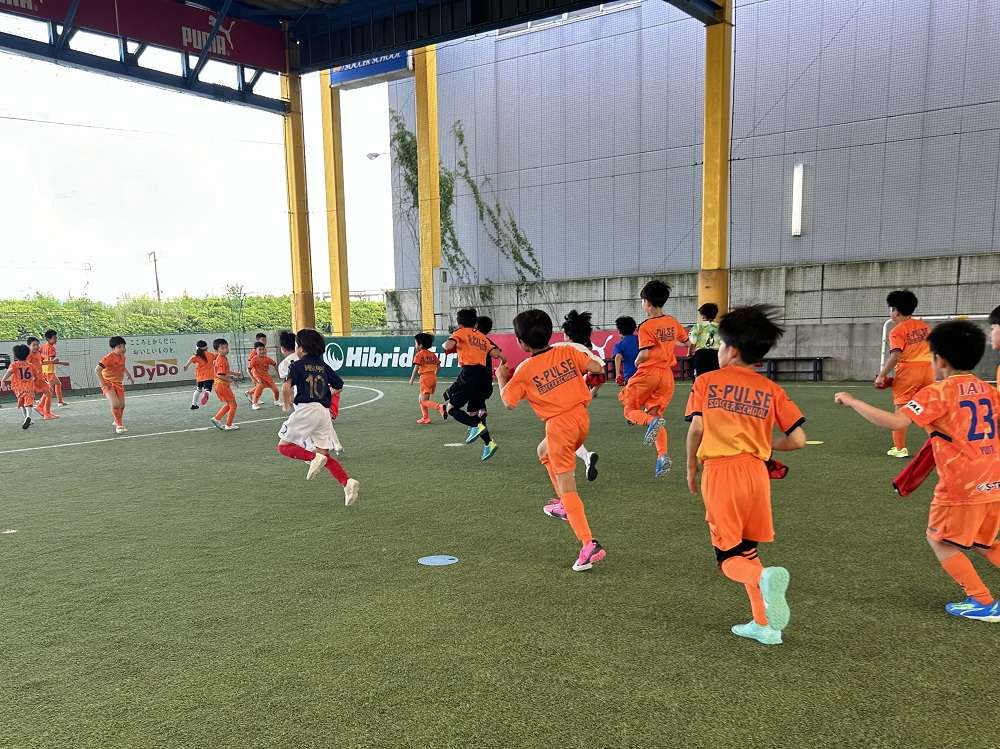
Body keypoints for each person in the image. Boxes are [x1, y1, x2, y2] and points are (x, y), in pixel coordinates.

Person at [836, 320, 1000, 622]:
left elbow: (896, 422)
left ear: (940, 360)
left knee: (939, 540)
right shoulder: (989, 390)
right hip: (994, 479)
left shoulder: (938, 393)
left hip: (962, 484)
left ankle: (982, 602)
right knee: (983, 541)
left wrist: (852, 401)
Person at [685, 305, 806, 646]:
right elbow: (798, 439)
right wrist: (764, 445)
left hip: (721, 473)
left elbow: (696, 430)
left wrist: (691, 467)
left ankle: (764, 578)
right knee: (747, 550)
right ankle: (765, 626)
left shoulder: (706, 381)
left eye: (721, 345)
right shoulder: (771, 389)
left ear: (732, 350)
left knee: (727, 559)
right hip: (757, 474)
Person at [498, 309, 607, 571]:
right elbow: (596, 367)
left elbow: (508, 402)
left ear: (521, 343)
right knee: (542, 451)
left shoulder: (525, 369)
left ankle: (588, 544)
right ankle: (563, 504)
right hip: (581, 420)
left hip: (559, 427)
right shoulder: (566, 350)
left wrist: (502, 378)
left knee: (568, 486)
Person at [276, 328, 360, 506]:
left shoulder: (296, 365)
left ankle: (313, 458)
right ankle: (347, 483)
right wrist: (325, 394)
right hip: (323, 412)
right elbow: (339, 385)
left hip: (306, 410)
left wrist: (286, 403)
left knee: (283, 447)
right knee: (324, 455)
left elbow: (286, 386)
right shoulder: (323, 366)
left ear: (301, 348)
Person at [620, 280, 690, 477]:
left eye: (642, 301)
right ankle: (662, 456)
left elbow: (644, 354)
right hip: (667, 376)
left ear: (647, 302)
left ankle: (649, 422)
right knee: (656, 415)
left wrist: (636, 362)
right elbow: (687, 342)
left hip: (648, 373)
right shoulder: (672, 322)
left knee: (629, 410)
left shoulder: (645, 326)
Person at [439, 307, 505, 461]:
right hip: (484, 378)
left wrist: (447, 342)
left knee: (451, 408)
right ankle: (488, 443)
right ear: (475, 323)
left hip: (469, 374)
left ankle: (475, 425)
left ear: (459, 324)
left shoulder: (460, 332)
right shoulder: (482, 337)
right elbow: (498, 354)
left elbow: (447, 346)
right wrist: (503, 363)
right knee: (472, 412)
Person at [875, 290, 934, 458]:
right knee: (928, 410)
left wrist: (882, 375)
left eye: (891, 309)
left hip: (908, 372)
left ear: (896, 311)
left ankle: (899, 448)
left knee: (901, 410)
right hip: (929, 369)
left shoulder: (896, 331)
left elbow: (896, 355)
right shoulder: (924, 326)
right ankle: (940, 443)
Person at [559, 310, 602, 485]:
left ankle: (566, 492)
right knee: (565, 441)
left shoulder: (561, 349)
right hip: (580, 404)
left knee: (555, 449)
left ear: (567, 335)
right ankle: (586, 457)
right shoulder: (585, 351)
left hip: (561, 405)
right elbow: (599, 368)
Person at [95, 336, 134, 434]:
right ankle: (119, 425)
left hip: (118, 383)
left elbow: (122, 367)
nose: (122, 349)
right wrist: (103, 383)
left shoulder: (123, 357)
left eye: (124, 346)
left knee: (122, 405)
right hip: (108, 383)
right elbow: (97, 370)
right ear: (113, 348)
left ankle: (116, 419)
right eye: (119, 347)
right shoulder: (108, 358)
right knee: (116, 404)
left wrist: (129, 375)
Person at [1, 344, 37, 429]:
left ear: (16, 355)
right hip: (29, 386)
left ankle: (26, 418)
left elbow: (9, 372)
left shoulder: (14, 365)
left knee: (22, 404)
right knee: (29, 403)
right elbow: (36, 375)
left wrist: (3, 380)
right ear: (27, 354)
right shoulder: (30, 365)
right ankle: (29, 416)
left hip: (19, 387)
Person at [409, 333, 441, 424]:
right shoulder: (432, 354)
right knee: (421, 399)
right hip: (432, 378)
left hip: (425, 379)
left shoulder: (419, 354)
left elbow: (416, 368)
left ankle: (439, 407)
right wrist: (434, 375)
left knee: (424, 401)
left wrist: (411, 379)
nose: (415, 345)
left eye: (415, 343)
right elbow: (439, 367)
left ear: (420, 345)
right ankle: (425, 418)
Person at [210, 338, 241, 431]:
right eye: (222, 348)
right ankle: (229, 424)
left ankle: (217, 418)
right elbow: (220, 375)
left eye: (226, 347)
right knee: (233, 405)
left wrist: (235, 374)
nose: (226, 350)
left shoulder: (222, 358)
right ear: (217, 350)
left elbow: (224, 371)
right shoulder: (221, 360)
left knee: (229, 404)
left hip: (220, 385)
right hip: (222, 385)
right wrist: (231, 380)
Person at [25, 337, 55, 420]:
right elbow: (26, 366)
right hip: (34, 379)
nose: (36, 347)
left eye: (37, 345)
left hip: (40, 377)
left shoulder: (38, 353)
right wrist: (32, 377)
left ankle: (41, 408)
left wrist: (52, 362)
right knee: (48, 392)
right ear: (29, 346)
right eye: (34, 345)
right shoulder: (29, 355)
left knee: (49, 391)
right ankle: (46, 413)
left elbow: (41, 362)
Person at [689, 303, 721, 379]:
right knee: (714, 377)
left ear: (703, 315)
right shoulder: (720, 327)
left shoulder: (698, 326)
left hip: (701, 354)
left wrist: (690, 352)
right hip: (716, 355)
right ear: (715, 315)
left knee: (700, 377)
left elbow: (693, 341)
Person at [182, 340, 216, 410]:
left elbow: (188, 363)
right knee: (208, 389)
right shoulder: (211, 354)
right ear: (206, 347)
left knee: (198, 390)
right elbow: (218, 357)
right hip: (209, 376)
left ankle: (193, 404)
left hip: (199, 377)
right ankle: (206, 393)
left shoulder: (195, 356)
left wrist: (186, 366)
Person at [40, 329, 69, 406]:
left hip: (44, 370)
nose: (56, 340)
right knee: (49, 388)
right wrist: (63, 363)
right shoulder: (52, 348)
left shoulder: (42, 347)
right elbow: (53, 361)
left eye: (56, 338)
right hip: (50, 371)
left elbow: (41, 360)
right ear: (48, 339)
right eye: (54, 338)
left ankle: (60, 401)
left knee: (58, 384)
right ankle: (41, 404)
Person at [248, 341, 280, 410]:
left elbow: (274, 364)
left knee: (276, 390)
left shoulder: (267, 359)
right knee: (260, 387)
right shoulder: (254, 359)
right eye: (260, 349)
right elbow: (249, 369)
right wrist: (253, 379)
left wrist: (278, 373)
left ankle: (276, 401)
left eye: (263, 349)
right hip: (258, 376)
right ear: (255, 350)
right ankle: (254, 403)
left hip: (266, 376)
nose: (262, 351)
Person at [612, 315, 639, 386]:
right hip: (645, 375)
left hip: (630, 377)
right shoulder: (641, 339)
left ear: (619, 331)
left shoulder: (619, 345)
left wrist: (618, 374)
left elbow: (618, 356)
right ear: (634, 328)